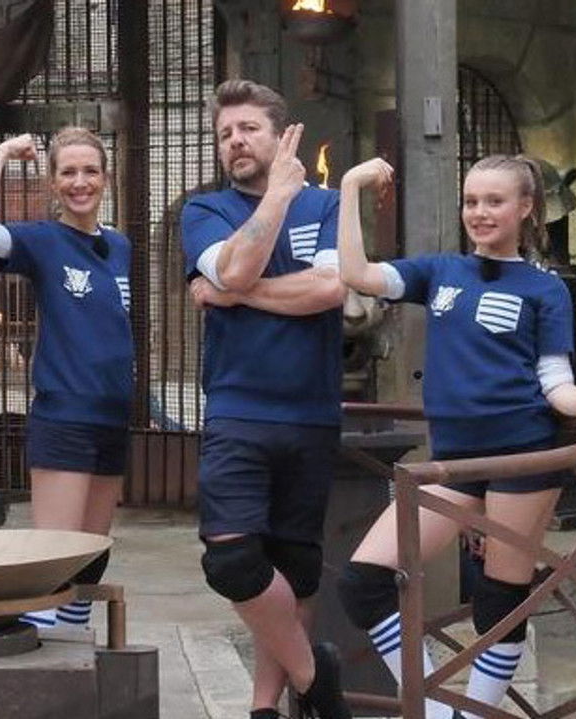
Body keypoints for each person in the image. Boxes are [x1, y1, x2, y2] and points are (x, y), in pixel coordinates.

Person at [334, 154, 576, 719]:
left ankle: (478, 713)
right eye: (471, 201)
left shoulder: (545, 290)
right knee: (362, 581)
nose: (480, 212)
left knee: (499, 600)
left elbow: (555, 381)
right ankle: (438, 710)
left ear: (526, 208)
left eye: (495, 201)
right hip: (453, 463)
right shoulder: (439, 271)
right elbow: (357, 274)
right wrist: (349, 187)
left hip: (523, 459)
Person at [183, 79, 351, 719]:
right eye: (225, 133)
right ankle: (316, 677)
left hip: (312, 412)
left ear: (281, 137)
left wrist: (233, 292)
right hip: (238, 410)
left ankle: (264, 708)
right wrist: (278, 196)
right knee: (232, 563)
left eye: (248, 129)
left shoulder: (330, 205)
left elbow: (329, 291)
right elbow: (235, 266)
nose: (235, 141)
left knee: (296, 569)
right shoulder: (204, 210)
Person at [0, 128, 133, 628]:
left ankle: (74, 646)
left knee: (91, 556)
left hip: (112, 416)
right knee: (55, 557)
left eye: (90, 171)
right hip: (65, 415)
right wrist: (0, 154)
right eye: (68, 172)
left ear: (106, 178)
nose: (80, 182)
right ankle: (41, 653)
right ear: (53, 183)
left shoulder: (119, 245)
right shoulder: (43, 240)